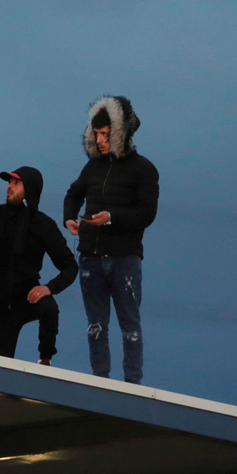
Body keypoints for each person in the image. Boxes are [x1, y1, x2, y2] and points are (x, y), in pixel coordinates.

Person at [63, 96, 159, 384]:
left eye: (106, 134)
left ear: (121, 133)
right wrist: (69, 217)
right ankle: (100, 382)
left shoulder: (144, 169)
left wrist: (111, 217)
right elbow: (73, 193)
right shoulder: (93, 167)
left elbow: (147, 214)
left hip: (124, 258)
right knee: (95, 326)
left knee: (130, 326)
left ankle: (133, 385)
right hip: (90, 257)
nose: (100, 140)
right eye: (96, 133)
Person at [0, 167, 78, 364]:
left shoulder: (43, 224)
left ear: (30, 188)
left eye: (16, 182)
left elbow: (70, 266)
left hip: (26, 297)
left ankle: (45, 360)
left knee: (48, 307)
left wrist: (49, 288)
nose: (9, 186)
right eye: (9, 182)